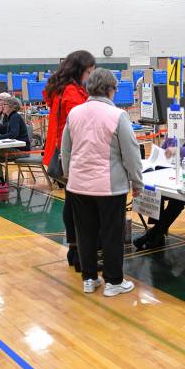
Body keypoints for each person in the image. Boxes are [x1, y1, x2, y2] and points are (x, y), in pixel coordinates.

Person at [62, 69, 143, 297]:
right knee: (111, 234)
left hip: (78, 185)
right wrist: (137, 181)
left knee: (85, 233)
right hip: (108, 187)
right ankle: (114, 282)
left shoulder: (74, 113)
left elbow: (65, 149)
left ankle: (89, 278)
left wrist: (70, 174)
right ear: (110, 89)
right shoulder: (117, 115)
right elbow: (131, 152)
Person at [43, 50, 96, 269]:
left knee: (72, 203)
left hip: (60, 153)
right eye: (89, 72)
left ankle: (74, 250)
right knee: (80, 208)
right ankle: (80, 254)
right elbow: (77, 126)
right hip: (72, 155)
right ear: (79, 70)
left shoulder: (58, 88)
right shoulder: (72, 93)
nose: (90, 76)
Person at [133, 111, 185, 251]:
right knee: (154, 191)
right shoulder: (171, 135)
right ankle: (157, 235)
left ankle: (153, 234)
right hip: (169, 178)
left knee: (177, 201)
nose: (171, 132)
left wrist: (179, 150)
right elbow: (162, 153)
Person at [0, 96, 30, 195]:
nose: (3, 106)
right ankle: (0, 182)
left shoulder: (15, 116)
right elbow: (3, 129)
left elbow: (13, 134)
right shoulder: (10, 116)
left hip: (21, 150)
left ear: (12, 106)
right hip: (15, 148)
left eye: (5, 104)